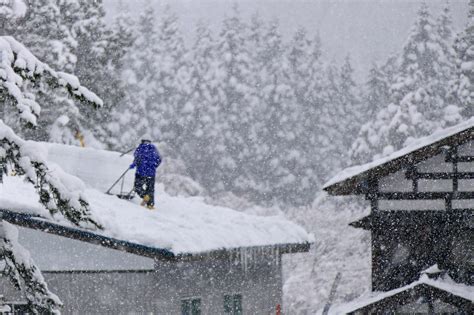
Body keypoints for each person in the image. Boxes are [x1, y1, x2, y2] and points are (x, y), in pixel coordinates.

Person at [130, 136, 161, 209]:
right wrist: (153, 166)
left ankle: (144, 196)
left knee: (137, 187)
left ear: (142, 141)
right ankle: (150, 205)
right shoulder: (154, 149)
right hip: (151, 173)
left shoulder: (140, 148)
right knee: (150, 189)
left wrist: (133, 165)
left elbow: (137, 158)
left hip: (141, 172)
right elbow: (159, 159)